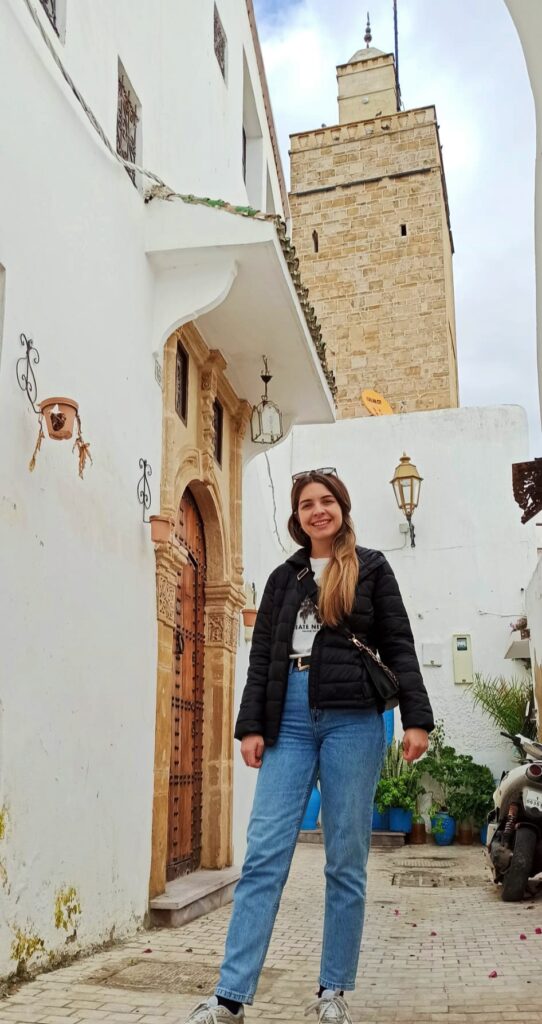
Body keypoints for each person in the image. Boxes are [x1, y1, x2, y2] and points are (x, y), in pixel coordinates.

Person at [184, 469, 434, 1024]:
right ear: (296, 517)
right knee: (265, 856)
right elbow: (262, 658)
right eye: (306, 505)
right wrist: (251, 726)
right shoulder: (283, 577)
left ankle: (332, 992)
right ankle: (230, 997)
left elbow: (399, 643)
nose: (317, 511)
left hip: (353, 722)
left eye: (326, 502)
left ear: (342, 507)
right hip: (289, 720)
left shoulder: (371, 568)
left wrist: (416, 718)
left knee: (346, 859)